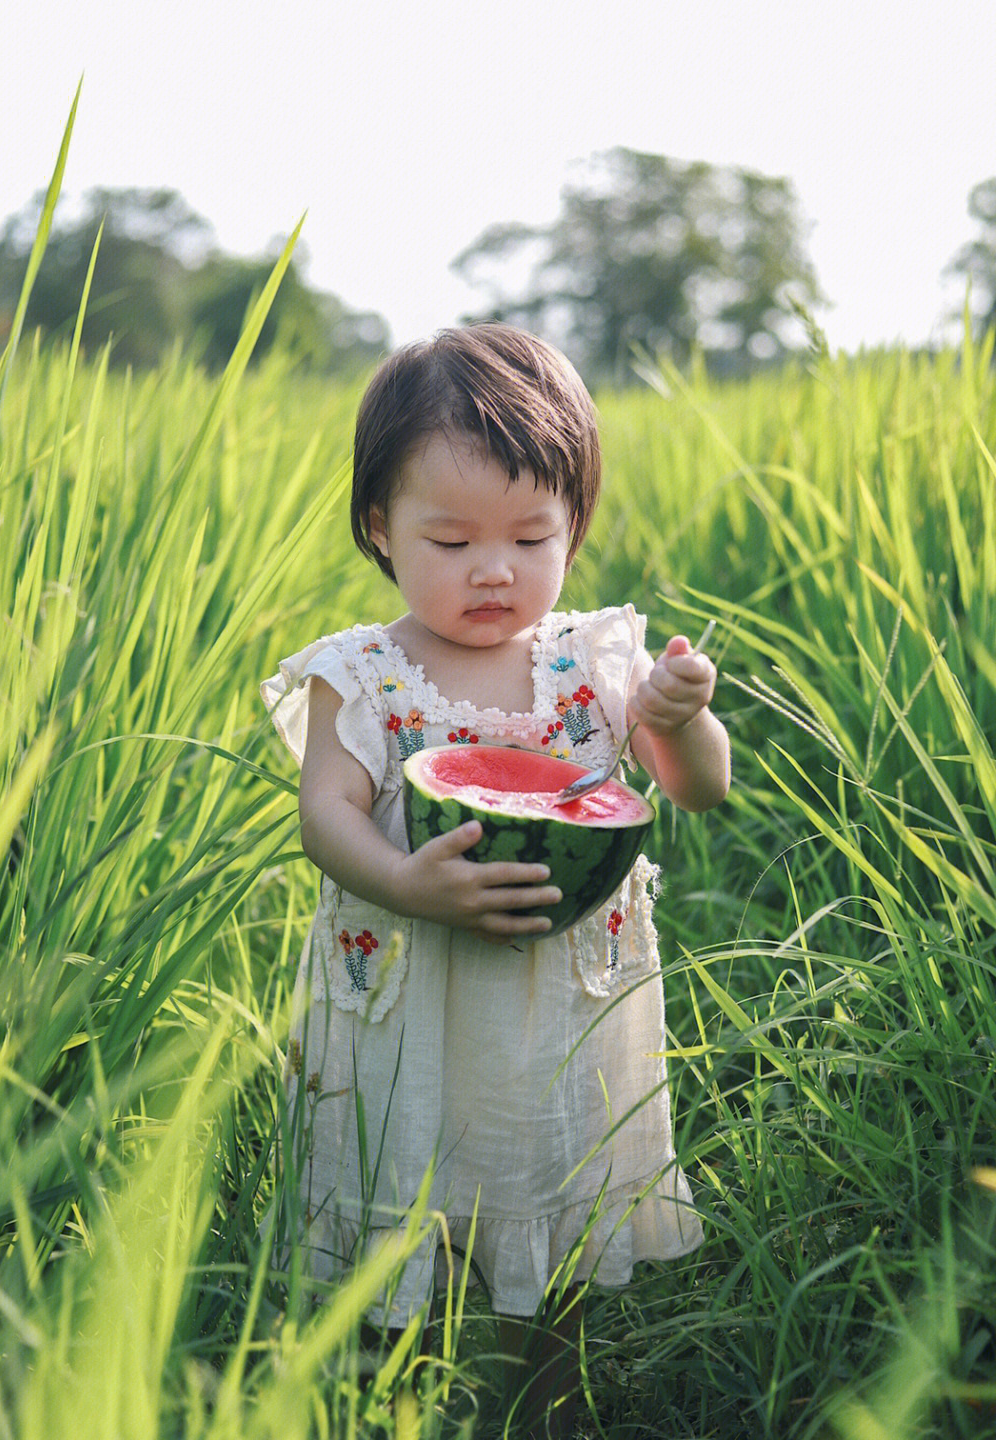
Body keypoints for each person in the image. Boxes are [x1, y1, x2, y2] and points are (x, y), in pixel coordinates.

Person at [260, 323, 730, 1436]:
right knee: (394, 1219)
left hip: (555, 1011)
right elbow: (324, 812)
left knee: (546, 1200)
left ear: (575, 525)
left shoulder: (599, 660)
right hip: (406, 995)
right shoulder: (361, 673)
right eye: (451, 537)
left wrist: (684, 719)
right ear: (380, 527)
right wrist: (405, 883)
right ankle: (382, 1398)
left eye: (531, 534)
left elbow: (695, 790)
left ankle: (544, 1401)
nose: (494, 568)